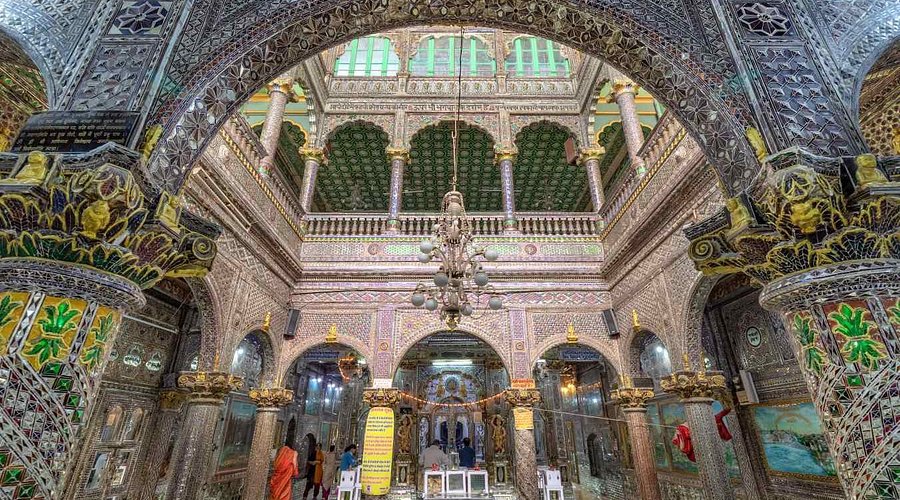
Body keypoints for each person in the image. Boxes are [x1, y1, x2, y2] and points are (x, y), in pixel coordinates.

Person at [302, 435, 321, 500]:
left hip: (318, 473)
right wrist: (312, 462)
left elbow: (322, 461)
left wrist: (317, 462)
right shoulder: (312, 453)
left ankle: (315, 496)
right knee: (308, 484)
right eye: (316, 447)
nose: (317, 448)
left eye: (318, 447)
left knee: (317, 485)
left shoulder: (321, 454)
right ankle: (304, 497)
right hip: (311, 472)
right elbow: (308, 460)